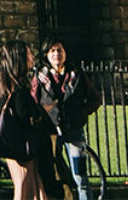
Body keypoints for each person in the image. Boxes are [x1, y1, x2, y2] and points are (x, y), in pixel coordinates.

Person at [32, 38, 102, 200]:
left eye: (60, 50)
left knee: (80, 177)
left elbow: (94, 99)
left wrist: (81, 113)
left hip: (74, 131)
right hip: (51, 133)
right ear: (46, 55)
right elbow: (33, 103)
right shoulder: (40, 77)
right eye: (53, 50)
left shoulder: (77, 74)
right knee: (55, 177)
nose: (57, 54)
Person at [0, 39, 53, 200]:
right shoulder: (19, 90)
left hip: (16, 148)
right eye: (28, 53)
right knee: (24, 190)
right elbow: (26, 119)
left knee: (32, 190)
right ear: (19, 58)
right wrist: (41, 112)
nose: (32, 57)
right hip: (23, 150)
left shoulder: (6, 86)